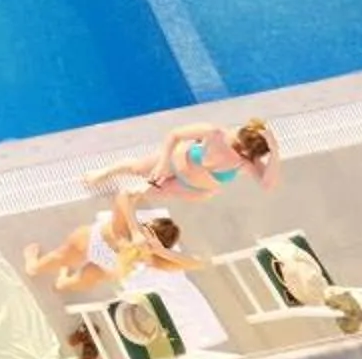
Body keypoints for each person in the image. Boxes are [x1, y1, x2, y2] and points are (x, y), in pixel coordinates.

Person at [24, 189, 202, 294]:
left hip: (92, 243)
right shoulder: (154, 258)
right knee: (85, 279)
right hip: (109, 265)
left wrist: (135, 230)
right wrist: (162, 252)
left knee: (61, 257)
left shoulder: (126, 229)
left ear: (148, 225)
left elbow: (122, 196)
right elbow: (197, 264)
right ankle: (61, 283)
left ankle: (35, 268)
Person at [83, 119, 279, 203]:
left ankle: (128, 200)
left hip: (194, 188)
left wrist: (275, 149)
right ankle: (105, 172)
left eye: (245, 154)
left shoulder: (247, 163)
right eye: (238, 146)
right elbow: (175, 135)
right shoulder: (214, 132)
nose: (240, 153)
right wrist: (162, 163)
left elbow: (267, 185)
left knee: (143, 193)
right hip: (174, 164)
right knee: (136, 168)